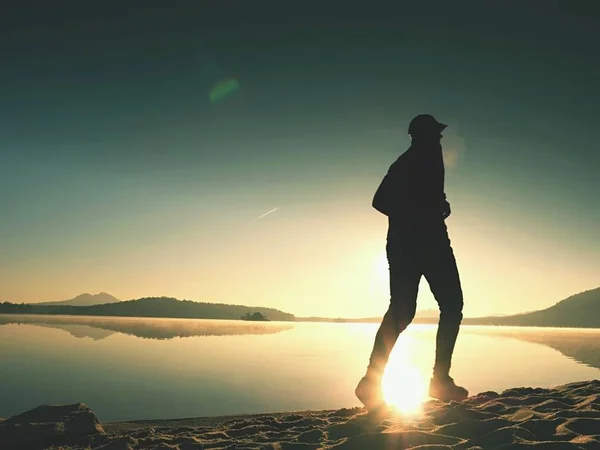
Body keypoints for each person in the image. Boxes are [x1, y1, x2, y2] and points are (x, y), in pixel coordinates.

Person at [355, 114, 468, 410]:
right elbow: (379, 201)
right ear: (421, 136)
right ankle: (372, 381)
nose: (441, 139)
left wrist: (438, 204)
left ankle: (439, 380)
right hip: (410, 245)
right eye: (436, 134)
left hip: (432, 243)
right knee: (405, 312)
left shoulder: (431, 161)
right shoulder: (407, 162)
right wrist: (417, 213)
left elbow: (427, 197)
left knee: (450, 305)